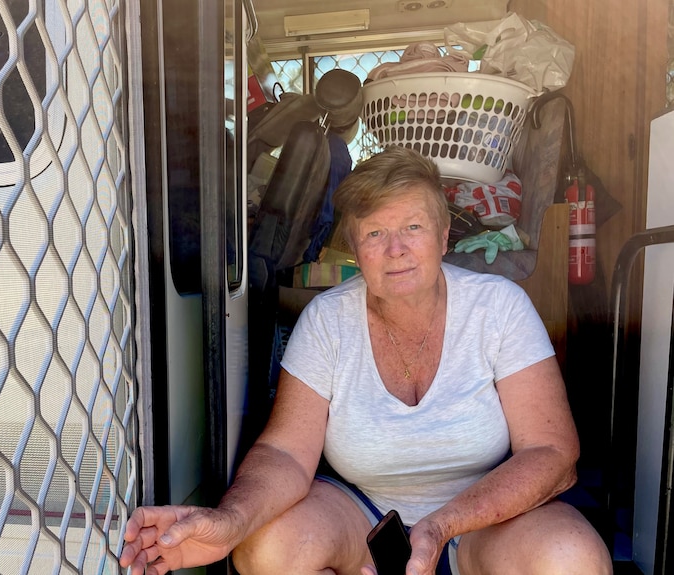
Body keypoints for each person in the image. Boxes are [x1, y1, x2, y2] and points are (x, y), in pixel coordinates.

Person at [119, 146, 613, 575]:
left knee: (574, 558)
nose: (395, 249)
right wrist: (228, 524)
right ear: (354, 247)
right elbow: (287, 453)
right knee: (266, 549)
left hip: (485, 521)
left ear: (444, 237)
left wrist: (442, 526)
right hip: (364, 518)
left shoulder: (499, 307)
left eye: (413, 227)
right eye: (375, 233)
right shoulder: (327, 320)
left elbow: (552, 452)